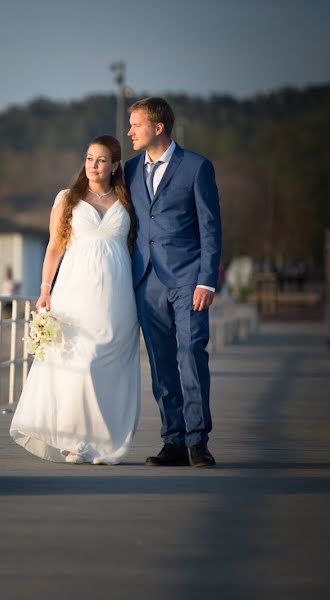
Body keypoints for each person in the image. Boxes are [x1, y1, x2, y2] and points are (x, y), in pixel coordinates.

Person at [9, 135, 141, 465]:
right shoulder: (68, 198)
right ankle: (75, 442)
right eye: (89, 158)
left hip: (117, 294)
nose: (93, 165)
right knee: (78, 362)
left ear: (114, 166)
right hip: (74, 291)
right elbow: (55, 246)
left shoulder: (128, 200)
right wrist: (44, 289)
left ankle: (105, 444)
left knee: (109, 363)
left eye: (101, 160)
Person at [125, 97, 222, 468]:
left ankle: (199, 441)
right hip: (146, 280)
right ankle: (174, 440)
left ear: (158, 127)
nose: (130, 131)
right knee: (162, 363)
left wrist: (207, 281)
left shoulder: (197, 167)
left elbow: (211, 227)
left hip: (188, 279)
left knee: (191, 353)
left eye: (136, 124)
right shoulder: (131, 170)